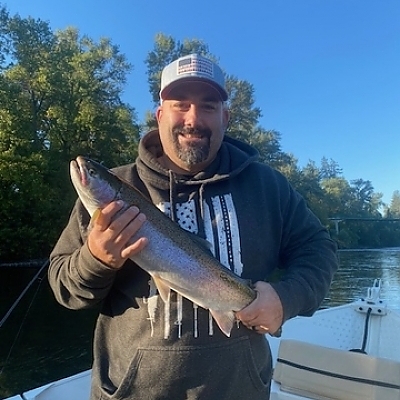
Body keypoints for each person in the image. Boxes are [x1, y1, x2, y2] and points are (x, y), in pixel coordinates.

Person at [48, 53, 338, 400]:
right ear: (159, 115)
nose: (193, 118)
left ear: (225, 117)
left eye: (208, 106)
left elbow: (318, 249)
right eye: (180, 104)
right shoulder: (117, 190)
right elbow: (64, 288)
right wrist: (96, 259)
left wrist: (286, 299)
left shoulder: (268, 187)